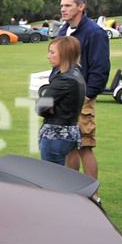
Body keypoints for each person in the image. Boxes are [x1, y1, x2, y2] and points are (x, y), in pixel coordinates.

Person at [56, 0, 109, 180]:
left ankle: (93, 196)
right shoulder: (63, 31)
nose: (63, 9)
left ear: (81, 7)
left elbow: (101, 69)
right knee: (69, 146)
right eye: (62, 5)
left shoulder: (95, 32)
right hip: (64, 98)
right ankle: (72, 191)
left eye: (68, 5)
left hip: (82, 98)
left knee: (85, 146)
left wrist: (88, 95)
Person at [36, 36, 86, 166]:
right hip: (69, 132)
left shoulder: (64, 79)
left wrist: (49, 108)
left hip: (56, 135)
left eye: (52, 52)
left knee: (51, 177)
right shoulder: (76, 74)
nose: (48, 56)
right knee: (59, 176)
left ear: (64, 54)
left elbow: (40, 107)